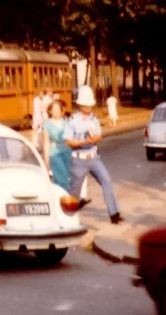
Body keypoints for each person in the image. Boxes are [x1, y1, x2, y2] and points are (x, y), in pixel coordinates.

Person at [65, 86, 120, 222]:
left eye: (90, 105)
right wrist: (84, 141)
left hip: (93, 157)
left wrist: (95, 139)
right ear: (80, 105)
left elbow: (99, 135)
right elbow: (68, 142)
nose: (89, 108)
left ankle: (114, 214)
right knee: (74, 192)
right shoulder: (72, 121)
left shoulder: (93, 119)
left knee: (106, 180)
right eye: (86, 105)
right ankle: (67, 218)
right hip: (79, 159)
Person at [43, 99, 72, 191]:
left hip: (67, 150)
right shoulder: (47, 124)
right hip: (55, 152)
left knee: (67, 176)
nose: (55, 111)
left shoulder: (66, 122)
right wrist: (46, 160)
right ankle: (63, 199)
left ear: (62, 110)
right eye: (53, 109)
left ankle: (60, 198)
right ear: (50, 111)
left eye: (57, 109)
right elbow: (46, 142)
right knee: (61, 176)